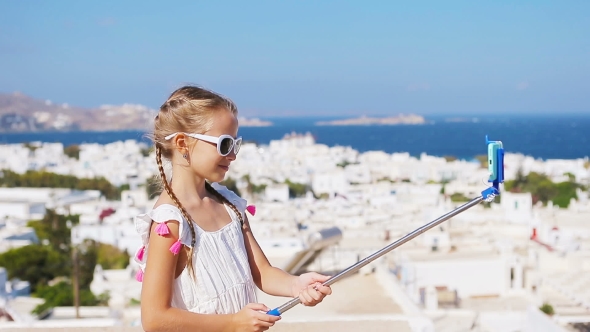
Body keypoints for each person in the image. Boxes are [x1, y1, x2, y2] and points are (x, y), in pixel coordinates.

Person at [133, 85, 332, 332]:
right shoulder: (170, 223)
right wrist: (232, 323)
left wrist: (296, 285)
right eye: (225, 144)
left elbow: (262, 272)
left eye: (236, 145)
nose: (233, 155)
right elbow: (154, 319)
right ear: (183, 143)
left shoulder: (230, 205)